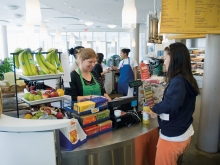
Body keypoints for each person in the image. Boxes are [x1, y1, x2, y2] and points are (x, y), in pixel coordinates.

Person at [147, 42, 199, 165]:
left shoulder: (178, 81)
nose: (163, 62)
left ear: (174, 58)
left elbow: (172, 103)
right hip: (184, 130)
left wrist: (155, 109)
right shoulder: (186, 78)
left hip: (173, 136)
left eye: (165, 58)